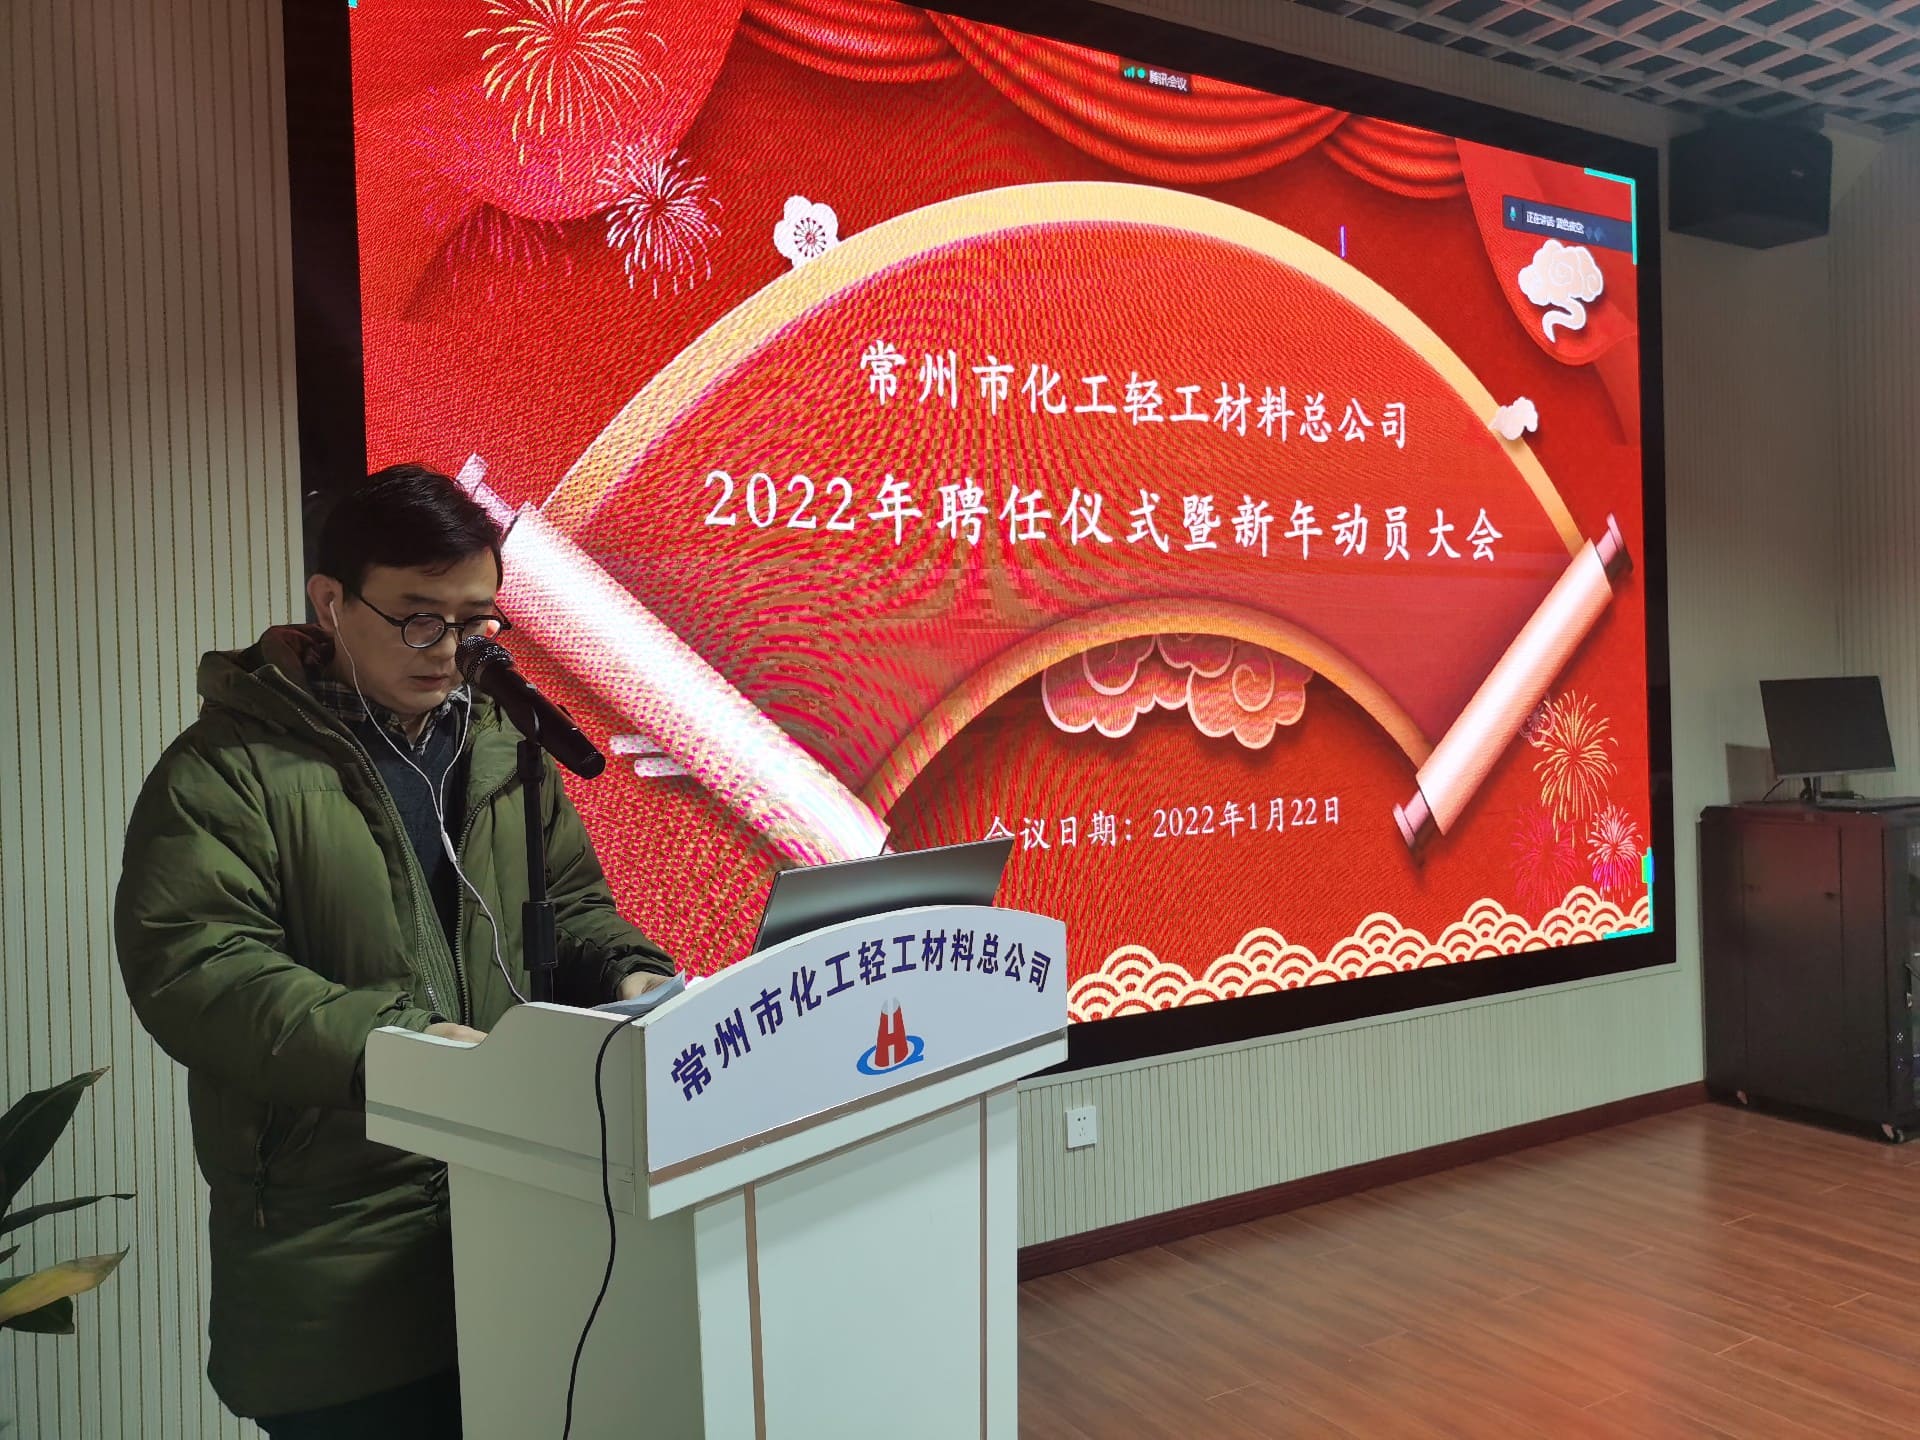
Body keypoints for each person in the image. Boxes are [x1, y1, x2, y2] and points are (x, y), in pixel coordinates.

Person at [114, 465, 674, 1438]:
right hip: (340, 1255)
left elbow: (570, 908)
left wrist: (633, 971)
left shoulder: (502, 747)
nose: (449, 649)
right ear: (331, 601)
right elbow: (199, 970)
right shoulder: (227, 770)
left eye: (474, 621)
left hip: (526, 1223)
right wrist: (405, 1047)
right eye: (417, 618)